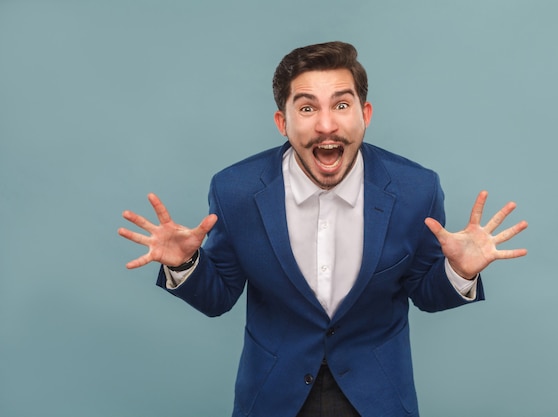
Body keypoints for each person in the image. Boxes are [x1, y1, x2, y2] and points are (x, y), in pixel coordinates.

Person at [118, 41, 527, 417]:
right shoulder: (235, 190)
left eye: (342, 106)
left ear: (365, 115)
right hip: (274, 397)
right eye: (308, 108)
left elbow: (425, 293)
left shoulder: (415, 188)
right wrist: (186, 263)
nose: (327, 126)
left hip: (378, 398)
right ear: (283, 121)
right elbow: (219, 296)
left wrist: (461, 272)